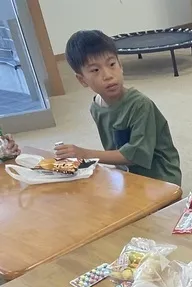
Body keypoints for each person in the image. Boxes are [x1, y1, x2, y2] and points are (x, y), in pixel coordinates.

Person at [57, 30, 182, 186]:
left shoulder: (140, 105)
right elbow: (115, 148)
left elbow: (134, 155)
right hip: (129, 176)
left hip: (160, 178)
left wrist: (85, 154)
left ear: (120, 65)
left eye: (112, 64)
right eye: (95, 70)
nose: (108, 75)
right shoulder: (96, 107)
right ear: (82, 80)